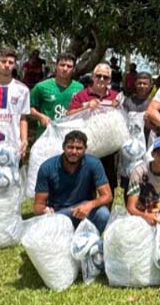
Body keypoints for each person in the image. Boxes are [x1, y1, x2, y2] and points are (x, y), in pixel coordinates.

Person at [33, 129, 112, 232]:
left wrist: (89, 205)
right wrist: (46, 211)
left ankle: (90, 239)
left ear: (85, 149)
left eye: (79, 148)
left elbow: (108, 196)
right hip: (60, 213)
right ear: (63, 147)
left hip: (84, 211)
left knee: (103, 214)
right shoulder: (47, 167)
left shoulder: (94, 164)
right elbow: (37, 206)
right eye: (70, 147)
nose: (74, 152)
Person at [68, 61, 122, 191]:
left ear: (110, 80)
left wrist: (118, 106)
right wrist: (85, 106)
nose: (102, 79)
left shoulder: (116, 96)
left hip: (110, 147)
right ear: (92, 77)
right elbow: (69, 114)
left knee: (109, 183)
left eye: (106, 77)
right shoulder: (82, 95)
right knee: (88, 184)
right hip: (89, 146)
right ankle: (88, 209)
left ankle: (106, 210)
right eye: (98, 76)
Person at [30, 52, 82, 135]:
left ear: (74, 69)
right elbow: (28, 108)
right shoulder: (41, 87)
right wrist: (40, 116)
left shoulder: (80, 88)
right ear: (56, 66)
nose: (65, 69)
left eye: (69, 66)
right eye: (62, 65)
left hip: (70, 137)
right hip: (47, 135)